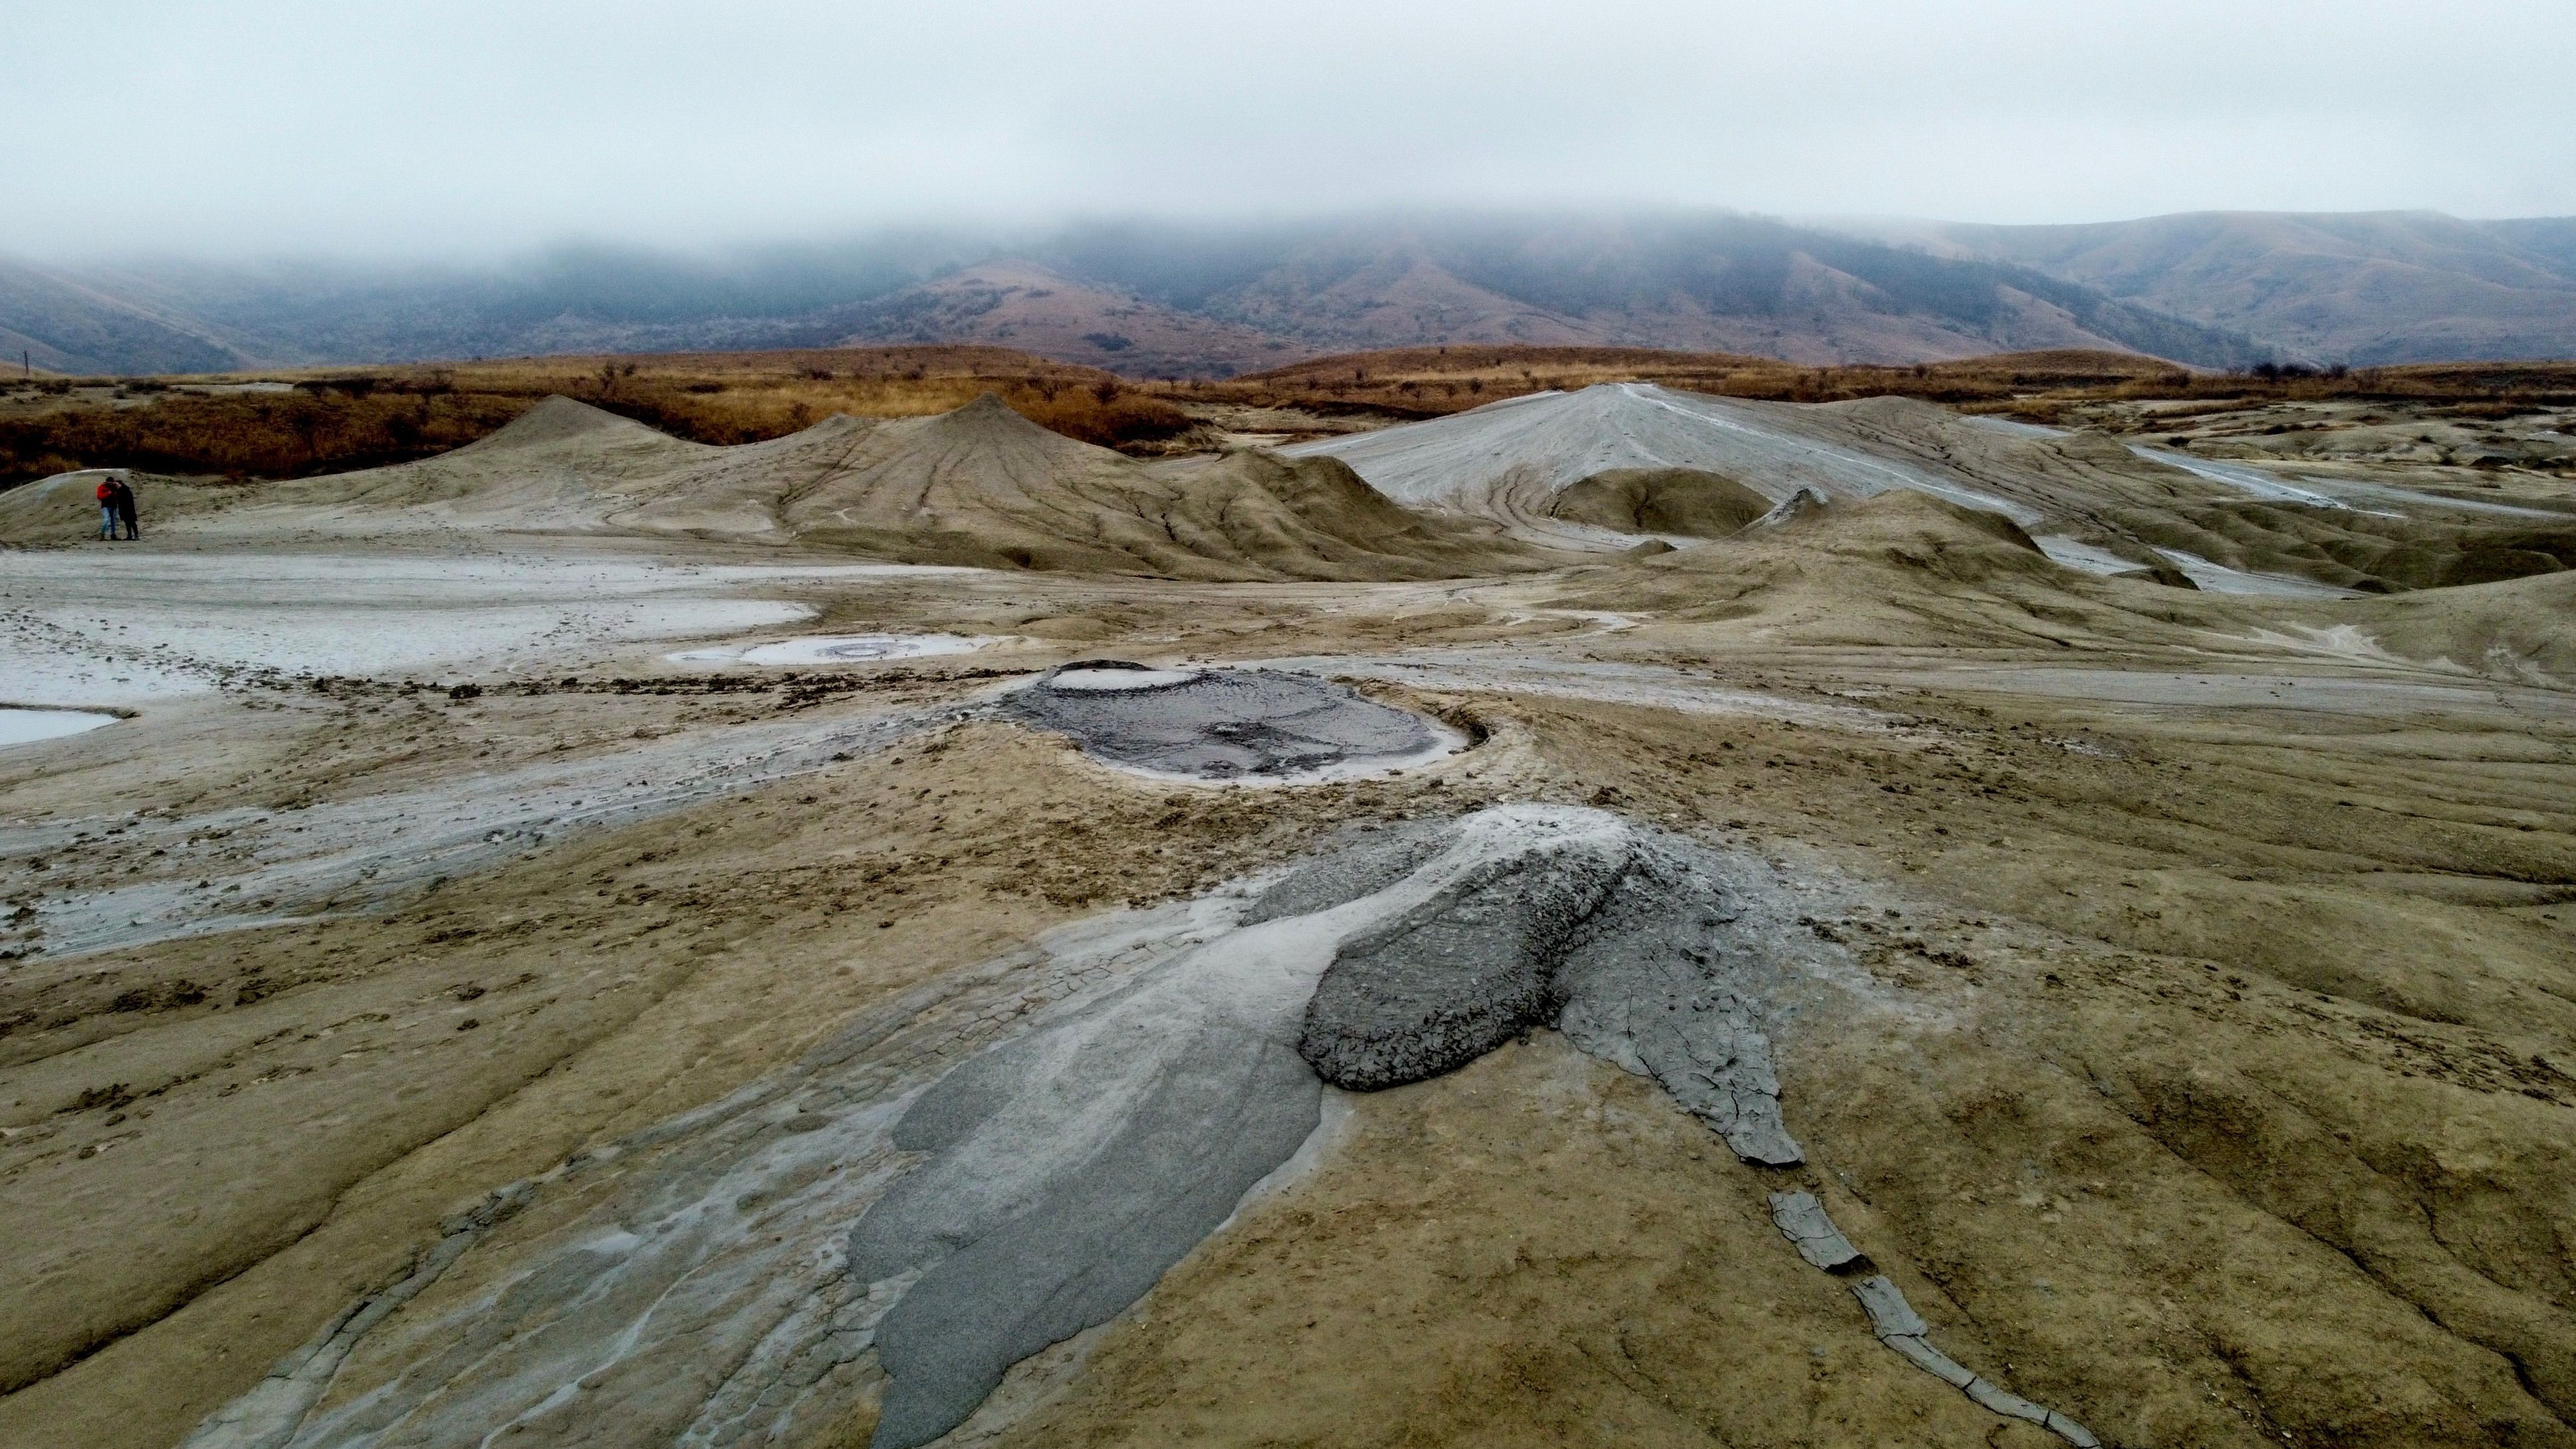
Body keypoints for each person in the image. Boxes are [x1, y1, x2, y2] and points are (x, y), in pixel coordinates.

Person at [113, 475, 139, 540]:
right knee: (127, 523)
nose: (116, 486)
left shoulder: (126, 490)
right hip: (123, 509)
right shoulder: (118, 491)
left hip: (129, 509)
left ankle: (136, 535)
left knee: (132, 522)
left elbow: (129, 500)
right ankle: (130, 535)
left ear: (120, 484)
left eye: (117, 484)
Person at [94, 475, 116, 541]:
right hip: (105, 506)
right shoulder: (102, 487)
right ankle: (102, 534)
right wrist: (109, 493)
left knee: (113, 522)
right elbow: (100, 496)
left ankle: (113, 535)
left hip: (113, 506)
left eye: (111, 482)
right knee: (106, 520)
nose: (110, 483)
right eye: (109, 482)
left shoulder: (114, 487)